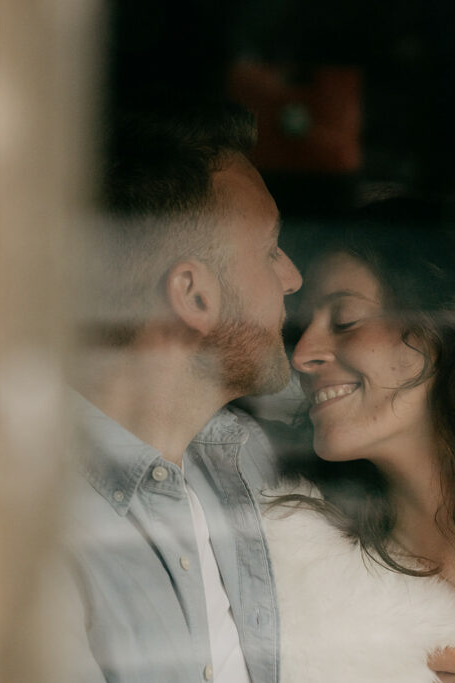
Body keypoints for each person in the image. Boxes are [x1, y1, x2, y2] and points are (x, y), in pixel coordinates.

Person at [61, 103, 301, 683]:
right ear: (194, 297)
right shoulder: (40, 525)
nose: (292, 276)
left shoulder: (245, 457)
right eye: (270, 250)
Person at [262, 199, 455, 682]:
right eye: (302, 326)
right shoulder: (301, 568)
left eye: (346, 321)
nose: (303, 355)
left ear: (445, 330)